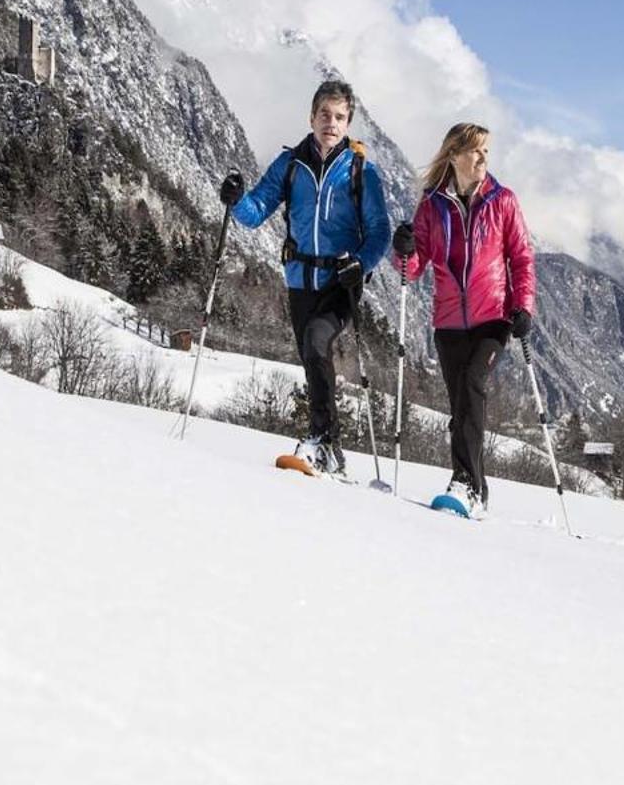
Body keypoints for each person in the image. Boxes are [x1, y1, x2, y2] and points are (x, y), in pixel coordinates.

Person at [220, 79, 392, 474]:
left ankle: (321, 440)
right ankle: (330, 449)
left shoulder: (362, 170)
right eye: (325, 115)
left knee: (317, 345)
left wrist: (360, 264)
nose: (331, 123)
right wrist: (235, 199)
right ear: (312, 117)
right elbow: (256, 210)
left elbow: (379, 230)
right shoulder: (290, 165)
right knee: (309, 357)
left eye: (340, 117)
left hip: (340, 283)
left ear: (348, 123)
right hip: (299, 281)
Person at [390, 122, 535, 518]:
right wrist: (403, 250)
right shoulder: (432, 205)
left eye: (487, 150)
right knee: (461, 409)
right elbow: (414, 266)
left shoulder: (503, 201)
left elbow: (521, 257)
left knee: (473, 385)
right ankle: (476, 489)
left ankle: (466, 484)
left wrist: (523, 306)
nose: (483, 157)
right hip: (450, 322)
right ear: (454, 155)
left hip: (494, 319)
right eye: (475, 150)